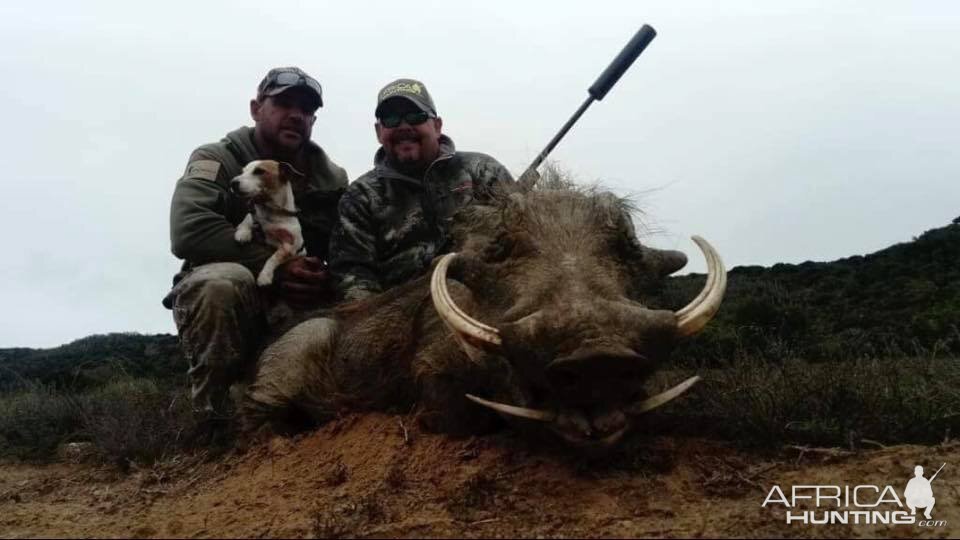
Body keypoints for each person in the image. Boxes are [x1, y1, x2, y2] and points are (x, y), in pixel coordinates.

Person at [164, 67, 348, 415]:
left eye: (307, 109)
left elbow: (344, 245)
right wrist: (279, 264)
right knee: (221, 283)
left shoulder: (331, 177)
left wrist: (318, 275)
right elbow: (189, 229)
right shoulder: (217, 158)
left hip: (297, 302)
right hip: (238, 299)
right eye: (283, 103)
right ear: (256, 108)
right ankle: (212, 422)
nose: (296, 115)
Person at [330, 78, 514, 300]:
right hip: (401, 317)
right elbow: (352, 275)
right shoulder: (360, 197)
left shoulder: (483, 171)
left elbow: (523, 239)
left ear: (437, 126)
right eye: (391, 118)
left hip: (489, 299)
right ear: (379, 132)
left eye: (415, 116)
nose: (403, 126)